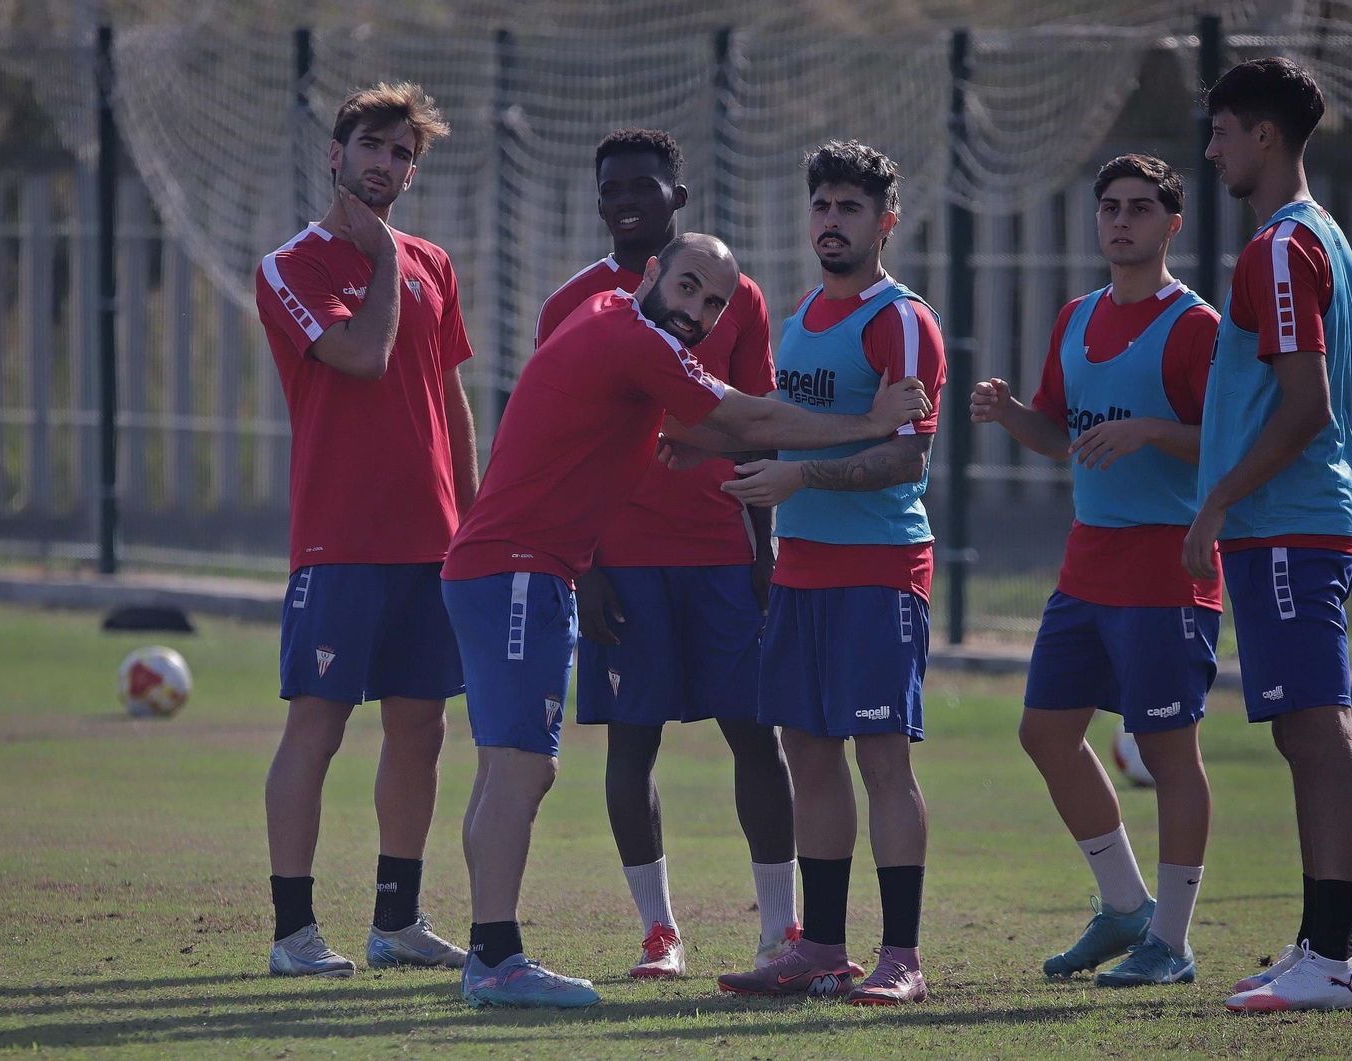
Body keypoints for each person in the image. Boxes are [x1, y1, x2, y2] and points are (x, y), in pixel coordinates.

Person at [439, 232, 930, 1008]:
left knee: (506, 765)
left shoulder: (611, 322)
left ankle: (489, 951)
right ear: (654, 273)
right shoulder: (633, 335)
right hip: (517, 570)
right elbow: (747, 416)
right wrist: (867, 419)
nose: (697, 311)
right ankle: (497, 958)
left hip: (501, 570)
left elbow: (691, 432)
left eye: (713, 303)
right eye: (689, 287)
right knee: (524, 767)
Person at [535, 129, 797, 980]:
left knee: (757, 737)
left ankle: (781, 931)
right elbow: (556, 446)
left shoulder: (735, 295)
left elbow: (756, 419)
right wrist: (587, 566)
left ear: (676, 197)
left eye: (644, 185)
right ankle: (659, 934)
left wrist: (765, 551)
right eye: (610, 186)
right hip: (624, 561)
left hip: (722, 554)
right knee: (630, 745)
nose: (625, 199)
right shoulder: (574, 304)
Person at [701, 141, 947, 1006]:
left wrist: (801, 474)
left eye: (850, 207)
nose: (831, 221)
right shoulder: (801, 314)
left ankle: (902, 955)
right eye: (821, 206)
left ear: (886, 221)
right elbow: (772, 425)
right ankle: (822, 949)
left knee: (883, 759)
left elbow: (905, 462)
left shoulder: (900, 319)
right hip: (802, 573)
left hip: (880, 573)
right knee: (807, 754)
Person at [969, 154, 1221, 988]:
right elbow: (1061, 432)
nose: (1122, 221)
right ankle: (1125, 908)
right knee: (1044, 733)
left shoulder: (1194, 327)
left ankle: (1173, 943)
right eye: (1110, 207)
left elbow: (1230, 443)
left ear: (1171, 225)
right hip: (1087, 564)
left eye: (1141, 209)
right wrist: (1012, 415)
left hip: (1165, 567)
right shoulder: (1077, 317)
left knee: (1167, 750)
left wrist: (1153, 428)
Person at [254, 82, 478, 978]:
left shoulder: (435, 261)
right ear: (336, 155)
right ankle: (292, 931)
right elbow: (362, 355)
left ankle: (397, 919)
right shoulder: (293, 265)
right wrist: (383, 259)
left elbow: (450, 395)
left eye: (403, 154)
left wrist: (476, 513)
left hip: (434, 540)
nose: (388, 164)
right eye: (373, 147)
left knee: (421, 729)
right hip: (340, 539)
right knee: (319, 725)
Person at [1188, 57, 1352, 1013]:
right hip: (1291, 524)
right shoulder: (1318, 238)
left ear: (1264, 136)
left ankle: (1333, 959)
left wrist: (1217, 499)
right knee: (1304, 732)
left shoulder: (1277, 248)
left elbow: (1306, 405)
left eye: (1221, 131)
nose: (1210, 148)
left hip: (1289, 522)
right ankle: (1316, 941)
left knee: (1316, 727)